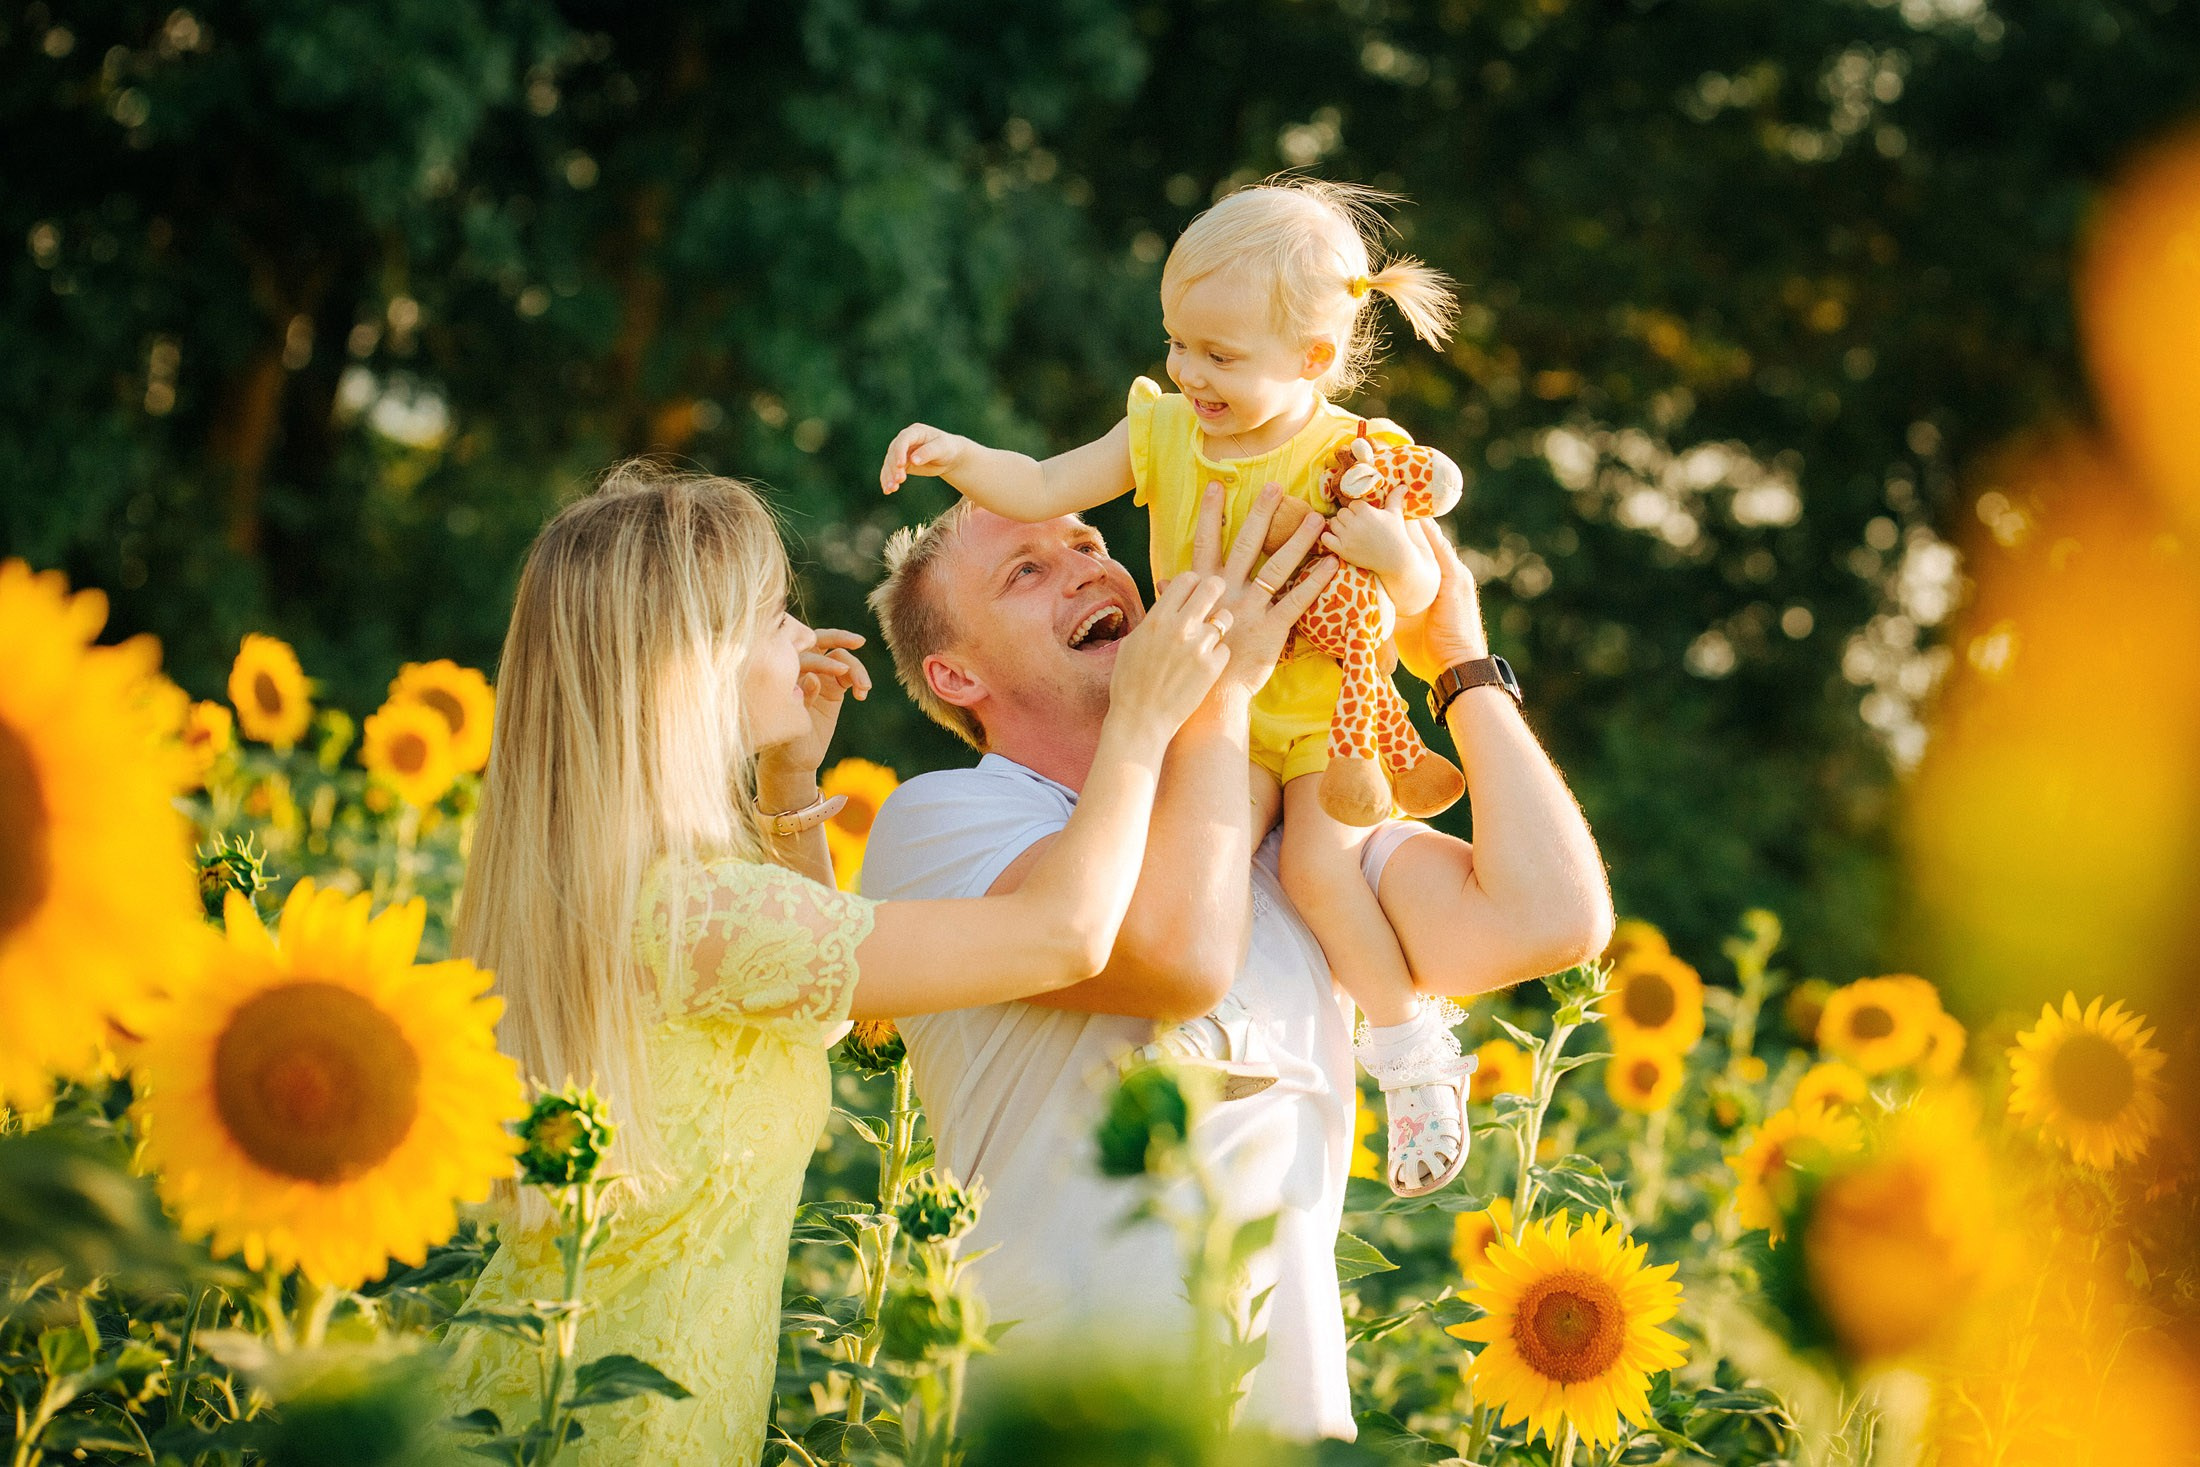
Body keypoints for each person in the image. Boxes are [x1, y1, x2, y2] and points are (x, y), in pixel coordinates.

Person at [440, 460, 1236, 1464]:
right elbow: (1061, 935)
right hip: (610, 1433)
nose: (796, 635)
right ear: (696, 660)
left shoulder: (659, 890)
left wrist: (789, 781)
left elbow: (811, 1005)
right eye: (771, 613)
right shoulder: (697, 911)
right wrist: (1147, 718)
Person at [861, 482, 1614, 1440]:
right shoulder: (943, 822)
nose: (1089, 566)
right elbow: (1177, 955)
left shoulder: (1292, 832)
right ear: (957, 677)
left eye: (1089, 540)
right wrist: (1224, 694)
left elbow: (1551, 918)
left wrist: (1461, 660)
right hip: (1066, 1428)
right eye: (1026, 571)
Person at [880, 179, 1479, 1196]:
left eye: (1219, 356)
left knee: (1318, 877)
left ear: (1314, 362)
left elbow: (1419, 589)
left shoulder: (1347, 456)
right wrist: (963, 458)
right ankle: (1202, 1027)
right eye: (1176, 343)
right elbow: (1040, 484)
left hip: (1325, 718)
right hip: (1231, 716)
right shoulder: (1162, 436)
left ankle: (1409, 1050)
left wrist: (1399, 557)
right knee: (1195, 858)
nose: (1187, 372)